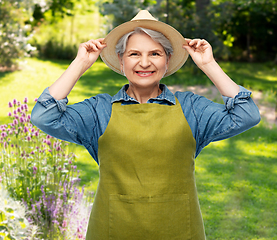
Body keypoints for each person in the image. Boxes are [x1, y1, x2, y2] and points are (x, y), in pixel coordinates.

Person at [31, 10, 260, 240]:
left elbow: (246, 114)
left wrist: (208, 64)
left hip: (180, 231)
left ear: (167, 60)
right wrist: (80, 63)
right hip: (113, 231)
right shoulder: (99, 111)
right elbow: (44, 116)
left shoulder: (191, 109)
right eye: (134, 54)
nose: (144, 62)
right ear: (121, 61)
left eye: (155, 53)